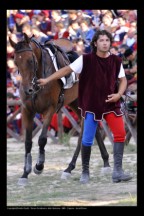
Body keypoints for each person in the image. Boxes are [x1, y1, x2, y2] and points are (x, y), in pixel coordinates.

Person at [37, 30, 133, 184]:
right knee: (87, 139)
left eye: (107, 40)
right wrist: (47, 79)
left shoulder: (116, 60)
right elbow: (66, 70)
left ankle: (117, 171)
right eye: (101, 40)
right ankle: (85, 172)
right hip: (92, 104)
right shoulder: (85, 60)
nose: (104, 43)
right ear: (95, 43)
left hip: (111, 102)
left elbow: (123, 80)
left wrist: (119, 94)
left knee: (120, 133)